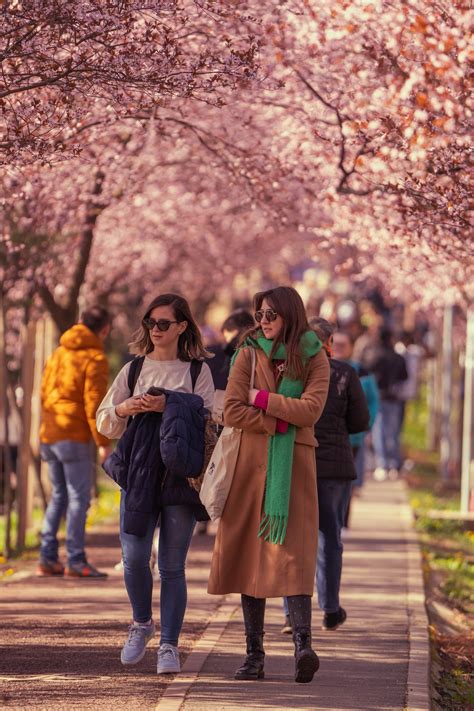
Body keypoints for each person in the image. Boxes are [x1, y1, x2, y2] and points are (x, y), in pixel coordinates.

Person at [208, 286, 330, 684]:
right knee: (249, 555)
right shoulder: (248, 351)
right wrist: (279, 420)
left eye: (271, 315)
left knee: (294, 554)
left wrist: (261, 397)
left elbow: (311, 409)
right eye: (259, 315)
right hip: (248, 467)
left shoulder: (315, 357)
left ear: (290, 314)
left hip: (294, 468)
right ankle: (253, 655)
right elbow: (232, 410)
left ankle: (303, 648)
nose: (264, 322)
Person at [96, 293, 214, 676]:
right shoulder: (132, 370)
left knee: (172, 567)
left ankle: (169, 645)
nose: (155, 329)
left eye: (164, 323)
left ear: (182, 327)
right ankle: (141, 622)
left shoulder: (198, 371)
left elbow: (213, 417)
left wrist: (172, 405)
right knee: (133, 558)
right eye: (150, 323)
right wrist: (126, 408)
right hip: (139, 473)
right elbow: (104, 420)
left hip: (181, 476)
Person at [283, 318, 369, 633]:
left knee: (291, 536)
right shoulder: (345, 374)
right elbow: (361, 421)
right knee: (329, 536)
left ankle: (291, 613)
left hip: (294, 461)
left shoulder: (290, 372)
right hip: (333, 467)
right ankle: (330, 606)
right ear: (329, 342)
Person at [37, 305, 112, 578]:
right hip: (74, 435)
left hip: (49, 432)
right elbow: (95, 405)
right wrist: (104, 442)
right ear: (105, 329)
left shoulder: (59, 352)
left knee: (59, 495)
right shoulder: (95, 357)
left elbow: (45, 393)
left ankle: (47, 556)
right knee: (79, 498)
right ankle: (76, 560)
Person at [332, 330, 380, 492]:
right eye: (334, 344)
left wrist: (366, 424)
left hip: (353, 436)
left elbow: (373, 401)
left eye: (342, 345)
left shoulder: (361, 372)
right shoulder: (321, 368)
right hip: (328, 437)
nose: (338, 348)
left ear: (351, 347)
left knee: (348, 484)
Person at [360, 328, 408, 480]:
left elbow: (365, 371)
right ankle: (393, 463)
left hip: (378, 397)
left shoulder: (374, 355)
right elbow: (404, 376)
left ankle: (382, 463)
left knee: (378, 432)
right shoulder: (397, 357)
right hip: (394, 398)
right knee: (393, 432)